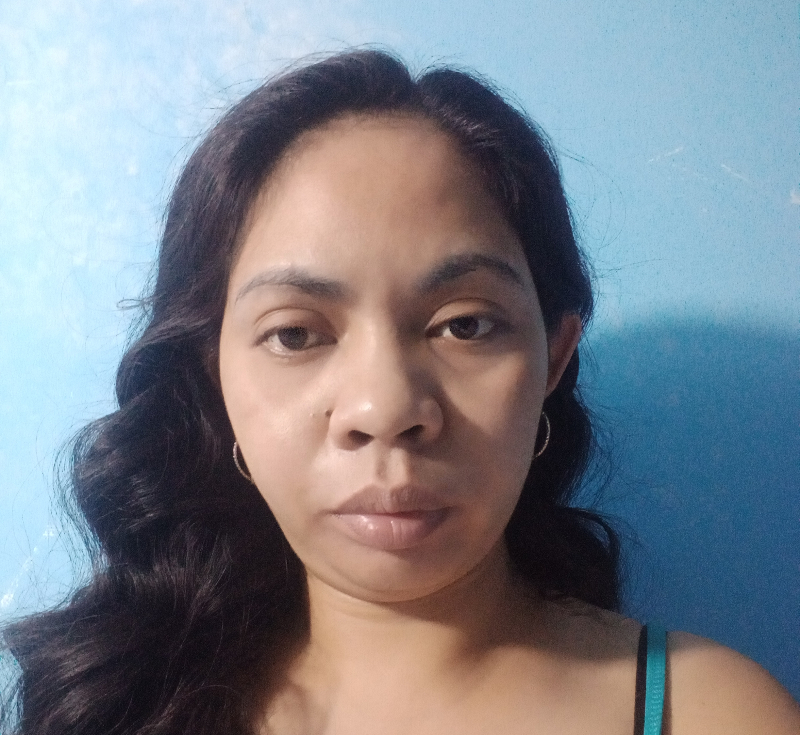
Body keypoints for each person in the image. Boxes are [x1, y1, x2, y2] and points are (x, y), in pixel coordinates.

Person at [2, 49, 798, 735]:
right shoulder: (120, 702)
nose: (384, 410)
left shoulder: (708, 714)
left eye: (465, 325)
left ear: (554, 357)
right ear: (213, 374)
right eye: (296, 334)